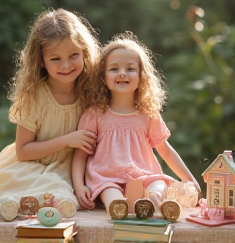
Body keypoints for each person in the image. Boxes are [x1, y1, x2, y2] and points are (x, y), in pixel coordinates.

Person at [72, 32, 201, 220]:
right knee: (109, 192)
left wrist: (189, 179)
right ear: (103, 76)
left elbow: (165, 151)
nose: (122, 73)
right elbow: (80, 155)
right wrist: (79, 185)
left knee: (159, 183)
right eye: (114, 69)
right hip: (107, 179)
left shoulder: (148, 114)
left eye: (130, 69)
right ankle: (117, 208)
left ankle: (154, 202)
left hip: (143, 177)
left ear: (141, 76)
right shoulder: (95, 114)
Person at [0, 8, 99, 221]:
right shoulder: (35, 96)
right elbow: (23, 152)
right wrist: (67, 140)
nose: (66, 65)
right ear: (41, 61)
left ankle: (50, 205)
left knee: (57, 185)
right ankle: (9, 203)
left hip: (69, 169)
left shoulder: (90, 92)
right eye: (55, 59)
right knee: (32, 183)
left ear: (84, 52)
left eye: (74, 55)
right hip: (31, 164)